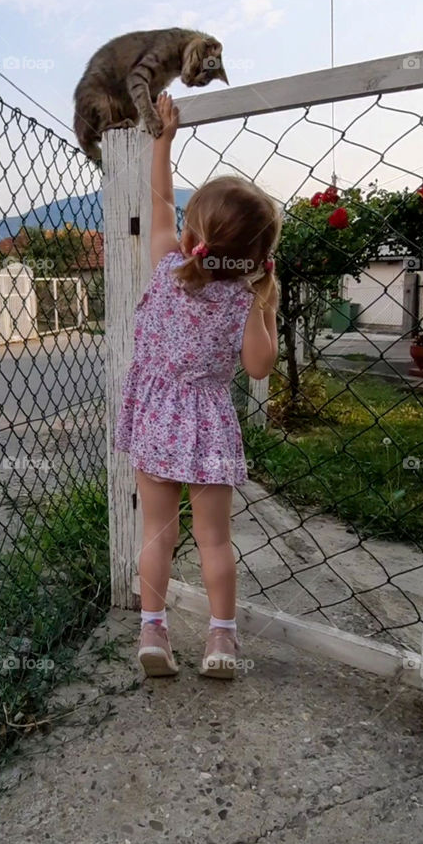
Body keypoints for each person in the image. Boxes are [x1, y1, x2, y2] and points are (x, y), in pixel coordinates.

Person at [114, 92, 282, 678]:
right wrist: (267, 300)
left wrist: (163, 141)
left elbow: (159, 204)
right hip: (208, 426)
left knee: (156, 534)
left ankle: (153, 631)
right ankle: (220, 639)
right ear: (258, 259)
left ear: (192, 238)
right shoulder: (244, 300)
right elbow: (260, 367)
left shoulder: (164, 266)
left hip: (155, 418)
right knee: (214, 540)